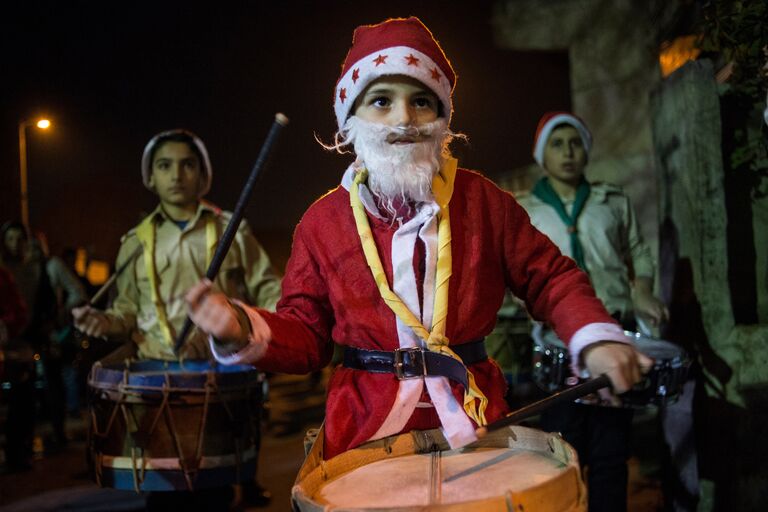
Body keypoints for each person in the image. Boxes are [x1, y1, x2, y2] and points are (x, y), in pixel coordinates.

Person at [185, 17, 651, 465]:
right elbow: (307, 335)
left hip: (475, 422)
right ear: (351, 119)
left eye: (422, 101)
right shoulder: (321, 222)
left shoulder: (484, 201)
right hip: (363, 432)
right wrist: (241, 329)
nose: (404, 118)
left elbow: (550, 277)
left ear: (442, 116)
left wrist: (594, 339)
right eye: (381, 101)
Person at [72, 129, 281, 509]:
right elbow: (127, 314)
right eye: (164, 166)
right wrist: (103, 323)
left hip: (221, 375)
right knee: (163, 496)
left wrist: (262, 326)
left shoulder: (231, 230)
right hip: (155, 378)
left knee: (215, 493)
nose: (176, 175)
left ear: (203, 174)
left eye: (187, 165)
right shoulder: (135, 242)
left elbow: (270, 291)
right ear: (149, 176)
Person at [514, 111, 669, 512]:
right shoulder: (523, 210)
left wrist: (644, 292)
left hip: (612, 336)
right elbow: (515, 270)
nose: (568, 152)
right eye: (556, 143)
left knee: (611, 452)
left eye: (575, 142)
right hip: (556, 343)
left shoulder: (611, 200)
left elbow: (637, 253)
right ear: (540, 156)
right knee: (560, 454)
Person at [1, 221, 57, 469]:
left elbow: (43, 303)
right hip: (6, 339)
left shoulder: (36, 269)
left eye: (19, 239)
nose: (15, 245)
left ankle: (19, 452)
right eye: (9, 239)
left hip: (25, 341)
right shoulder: (3, 270)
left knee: (24, 399)